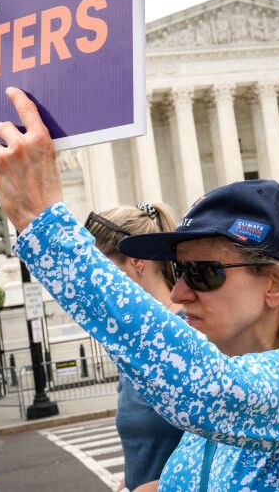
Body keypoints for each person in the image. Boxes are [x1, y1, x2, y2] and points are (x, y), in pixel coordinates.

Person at [0, 87, 279, 490]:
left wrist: (45, 222)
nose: (179, 293)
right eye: (179, 270)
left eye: (203, 273)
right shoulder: (212, 419)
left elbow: (212, 390)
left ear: (276, 283)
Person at [84, 202, 184, 492]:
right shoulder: (132, 339)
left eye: (102, 272)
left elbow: (223, 450)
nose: (95, 286)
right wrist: (129, 481)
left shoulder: (188, 331)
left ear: (136, 261)